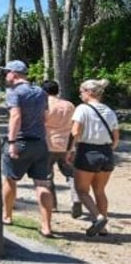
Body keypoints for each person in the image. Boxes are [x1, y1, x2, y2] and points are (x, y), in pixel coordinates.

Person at [0, 60, 54, 238]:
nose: (5, 75)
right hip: (39, 143)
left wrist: (12, 141)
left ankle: (6, 215)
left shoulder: (14, 93)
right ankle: (46, 226)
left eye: (7, 72)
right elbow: (45, 118)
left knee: (10, 179)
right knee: (42, 184)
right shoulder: (40, 92)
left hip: (21, 141)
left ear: (14, 74)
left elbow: (15, 117)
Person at [66, 79, 120, 237]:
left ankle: (98, 217)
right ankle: (103, 228)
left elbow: (75, 132)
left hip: (87, 151)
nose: (80, 94)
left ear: (89, 92)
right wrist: (109, 149)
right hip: (106, 153)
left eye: (82, 91)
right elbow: (116, 136)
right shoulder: (109, 111)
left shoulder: (82, 109)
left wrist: (70, 150)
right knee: (100, 190)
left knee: (82, 190)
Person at [41, 79, 80, 217]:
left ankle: (52, 205)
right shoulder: (69, 105)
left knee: (47, 175)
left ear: (44, 91)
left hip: (48, 143)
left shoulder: (44, 105)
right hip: (67, 145)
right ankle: (76, 198)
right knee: (71, 174)